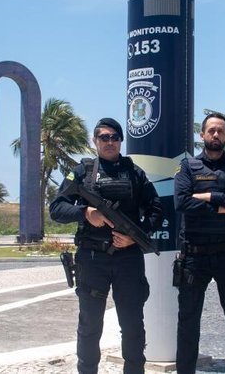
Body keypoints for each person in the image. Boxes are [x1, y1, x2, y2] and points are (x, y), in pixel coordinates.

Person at [50, 117, 163, 374]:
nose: (109, 142)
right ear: (95, 141)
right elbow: (56, 208)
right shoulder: (82, 172)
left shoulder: (135, 173)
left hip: (128, 259)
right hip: (92, 259)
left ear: (121, 141)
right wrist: (85, 213)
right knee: (90, 325)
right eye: (104, 137)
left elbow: (157, 209)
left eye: (114, 137)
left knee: (133, 324)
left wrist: (137, 236)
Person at [173, 113, 225, 374]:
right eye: (211, 130)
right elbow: (182, 203)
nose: (216, 135)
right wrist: (222, 208)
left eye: (221, 131)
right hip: (194, 257)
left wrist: (209, 196)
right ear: (203, 135)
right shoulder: (188, 167)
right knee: (188, 322)